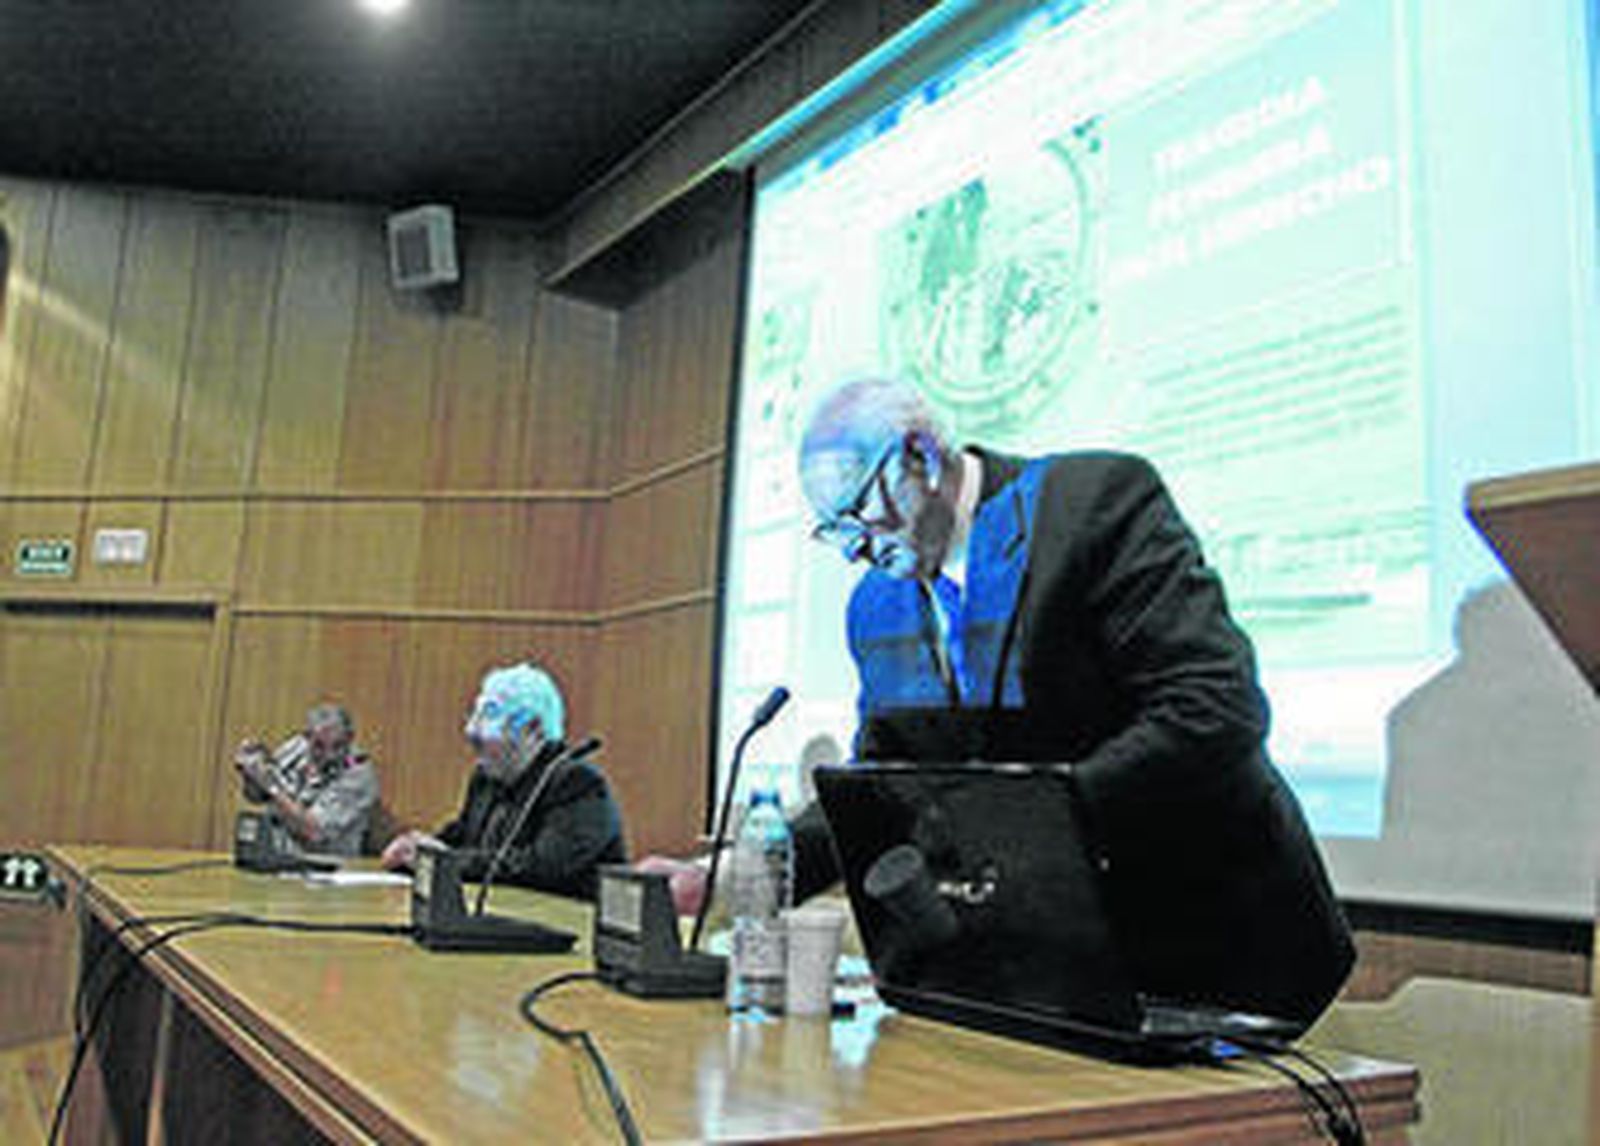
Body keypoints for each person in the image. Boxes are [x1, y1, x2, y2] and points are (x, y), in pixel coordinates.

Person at [650, 375, 1353, 1027]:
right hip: (1059, 973)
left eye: (859, 512)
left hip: (1218, 948)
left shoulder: (1092, 502)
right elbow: (881, 793)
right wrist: (735, 875)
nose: (853, 551)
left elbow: (1215, 708)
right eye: (833, 530)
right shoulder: (876, 606)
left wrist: (1027, 832)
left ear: (920, 456)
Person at [380, 662, 627, 900]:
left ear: (533, 729)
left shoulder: (579, 784)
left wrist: (445, 861)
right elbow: (463, 835)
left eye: (490, 715)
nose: (472, 732)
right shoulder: (486, 778)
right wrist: (417, 850)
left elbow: (540, 867)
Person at [234, 702, 379, 857]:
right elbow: (257, 796)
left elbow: (313, 831)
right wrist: (253, 769)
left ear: (350, 738)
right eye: (319, 746)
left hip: (327, 866)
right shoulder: (296, 748)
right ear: (307, 737)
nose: (329, 755)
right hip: (275, 857)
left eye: (338, 746)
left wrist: (272, 788)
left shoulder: (358, 774)